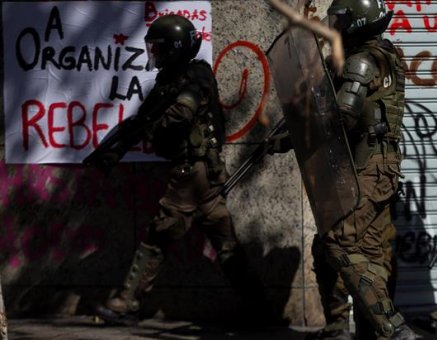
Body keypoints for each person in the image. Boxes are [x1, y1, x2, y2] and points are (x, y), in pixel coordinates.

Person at [89, 15, 263, 326]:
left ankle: (126, 304)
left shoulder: (194, 77)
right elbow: (146, 118)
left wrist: (154, 130)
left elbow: (182, 111)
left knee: (159, 235)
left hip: (191, 174)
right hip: (206, 174)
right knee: (225, 242)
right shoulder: (175, 78)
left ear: (175, 48)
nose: (153, 53)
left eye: (158, 47)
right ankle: (260, 307)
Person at [270, 1, 417, 338]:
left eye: (339, 20)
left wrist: (293, 137)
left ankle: (391, 328)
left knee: (340, 243)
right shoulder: (381, 53)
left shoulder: (362, 62)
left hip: (366, 168)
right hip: (367, 167)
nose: (334, 25)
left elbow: (339, 118)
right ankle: (345, 327)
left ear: (357, 22)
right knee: (356, 251)